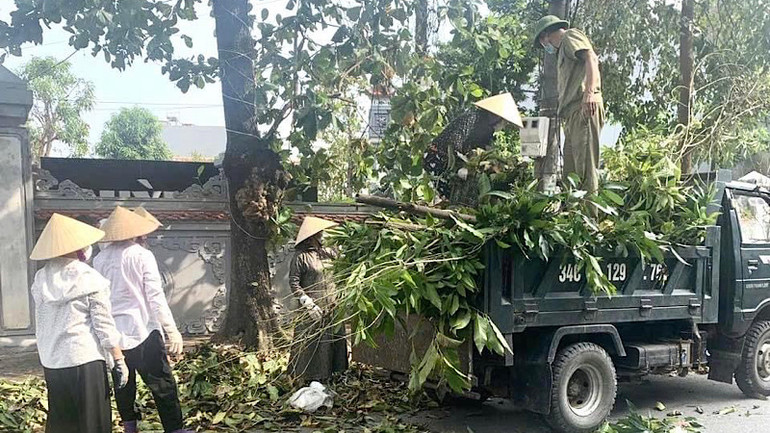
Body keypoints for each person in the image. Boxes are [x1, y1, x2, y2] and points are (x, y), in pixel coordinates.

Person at [93, 206, 190, 433]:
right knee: (162, 383)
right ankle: (175, 429)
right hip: (143, 328)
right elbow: (155, 297)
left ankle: (129, 425)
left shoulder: (100, 260)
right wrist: (172, 330)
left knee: (123, 382)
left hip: (114, 333)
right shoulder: (142, 255)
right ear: (136, 231)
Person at [30, 213, 129, 433]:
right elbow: (104, 325)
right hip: (85, 360)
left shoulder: (40, 279)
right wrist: (118, 358)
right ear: (78, 246)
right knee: (92, 422)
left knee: (62, 422)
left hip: (53, 361)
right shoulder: (90, 278)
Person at [534, 15, 604, 194]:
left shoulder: (569, 36)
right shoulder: (561, 53)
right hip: (570, 114)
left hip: (583, 108)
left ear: (545, 36)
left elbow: (591, 58)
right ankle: (573, 217)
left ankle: (589, 217)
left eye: (542, 42)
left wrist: (590, 92)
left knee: (585, 168)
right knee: (571, 173)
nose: (545, 46)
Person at [423, 92, 523, 204]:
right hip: (437, 157)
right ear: (496, 116)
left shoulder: (487, 130)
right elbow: (455, 139)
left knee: (460, 192)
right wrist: (460, 166)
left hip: (450, 160)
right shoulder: (473, 117)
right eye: (504, 121)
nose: (504, 125)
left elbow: (484, 151)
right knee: (451, 192)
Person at [288, 217, 348, 382]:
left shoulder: (327, 253)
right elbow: (294, 283)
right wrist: (307, 302)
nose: (323, 235)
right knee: (313, 342)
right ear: (312, 236)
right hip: (313, 307)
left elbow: (342, 268)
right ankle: (308, 375)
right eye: (320, 233)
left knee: (334, 338)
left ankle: (335, 373)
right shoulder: (300, 257)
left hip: (332, 303)